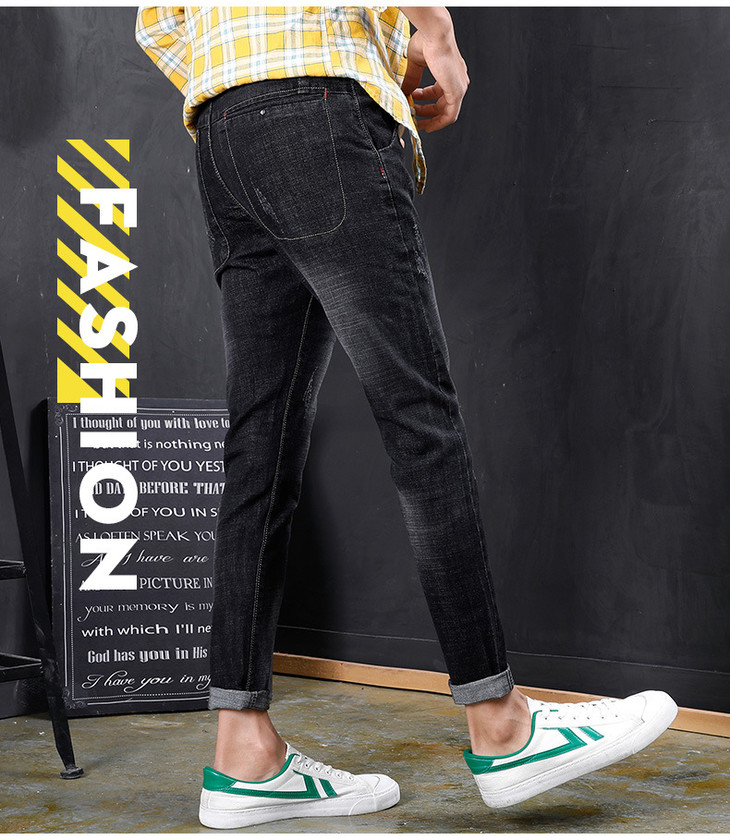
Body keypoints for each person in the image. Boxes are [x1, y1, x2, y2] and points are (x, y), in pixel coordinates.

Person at [135, 6, 678, 829]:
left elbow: (156, 23)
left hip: (223, 127)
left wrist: (244, 78)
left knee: (260, 451)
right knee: (419, 422)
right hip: (318, 107)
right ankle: (502, 726)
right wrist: (437, 35)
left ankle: (243, 752)